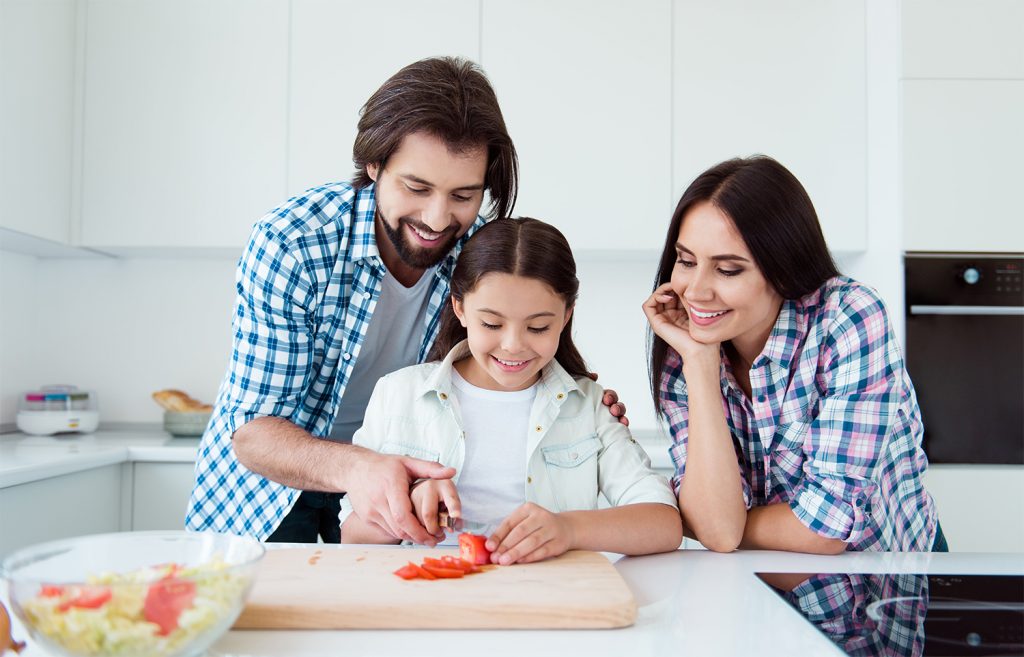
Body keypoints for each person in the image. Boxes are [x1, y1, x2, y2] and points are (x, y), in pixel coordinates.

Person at [185, 57, 626, 546]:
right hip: (267, 493)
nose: (438, 219)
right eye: (416, 188)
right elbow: (252, 431)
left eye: (463, 194)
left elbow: (513, 347)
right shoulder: (294, 242)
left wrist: (581, 404)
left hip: (402, 482)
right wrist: (360, 466)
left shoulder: (477, 254)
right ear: (374, 164)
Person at [643, 155, 944, 554]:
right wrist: (700, 363)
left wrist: (723, 522)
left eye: (728, 270)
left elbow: (824, 531)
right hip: (761, 589)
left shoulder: (847, 316)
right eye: (686, 261)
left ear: (782, 267)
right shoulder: (686, 345)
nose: (695, 291)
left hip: (886, 588)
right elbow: (716, 532)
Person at [339, 218, 682, 563]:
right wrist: (405, 509)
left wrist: (569, 529)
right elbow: (351, 535)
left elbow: (664, 522)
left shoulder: (588, 406)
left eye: (538, 327)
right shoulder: (398, 394)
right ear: (459, 308)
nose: (513, 345)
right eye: (491, 323)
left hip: (549, 601)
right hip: (428, 598)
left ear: (565, 317)